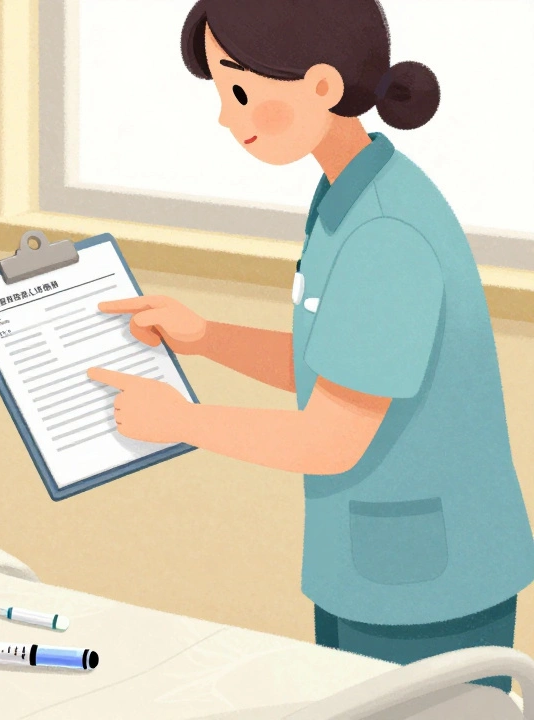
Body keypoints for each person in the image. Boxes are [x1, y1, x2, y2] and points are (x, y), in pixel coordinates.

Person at [87, 0, 534, 691]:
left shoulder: (388, 232)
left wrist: (178, 420)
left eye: (239, 91)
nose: (225, 118)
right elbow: (337, 365)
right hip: (367, 563)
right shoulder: (345, 194)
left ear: (322, 87)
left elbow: (331, 438)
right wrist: (206, 339)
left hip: (428, 587)